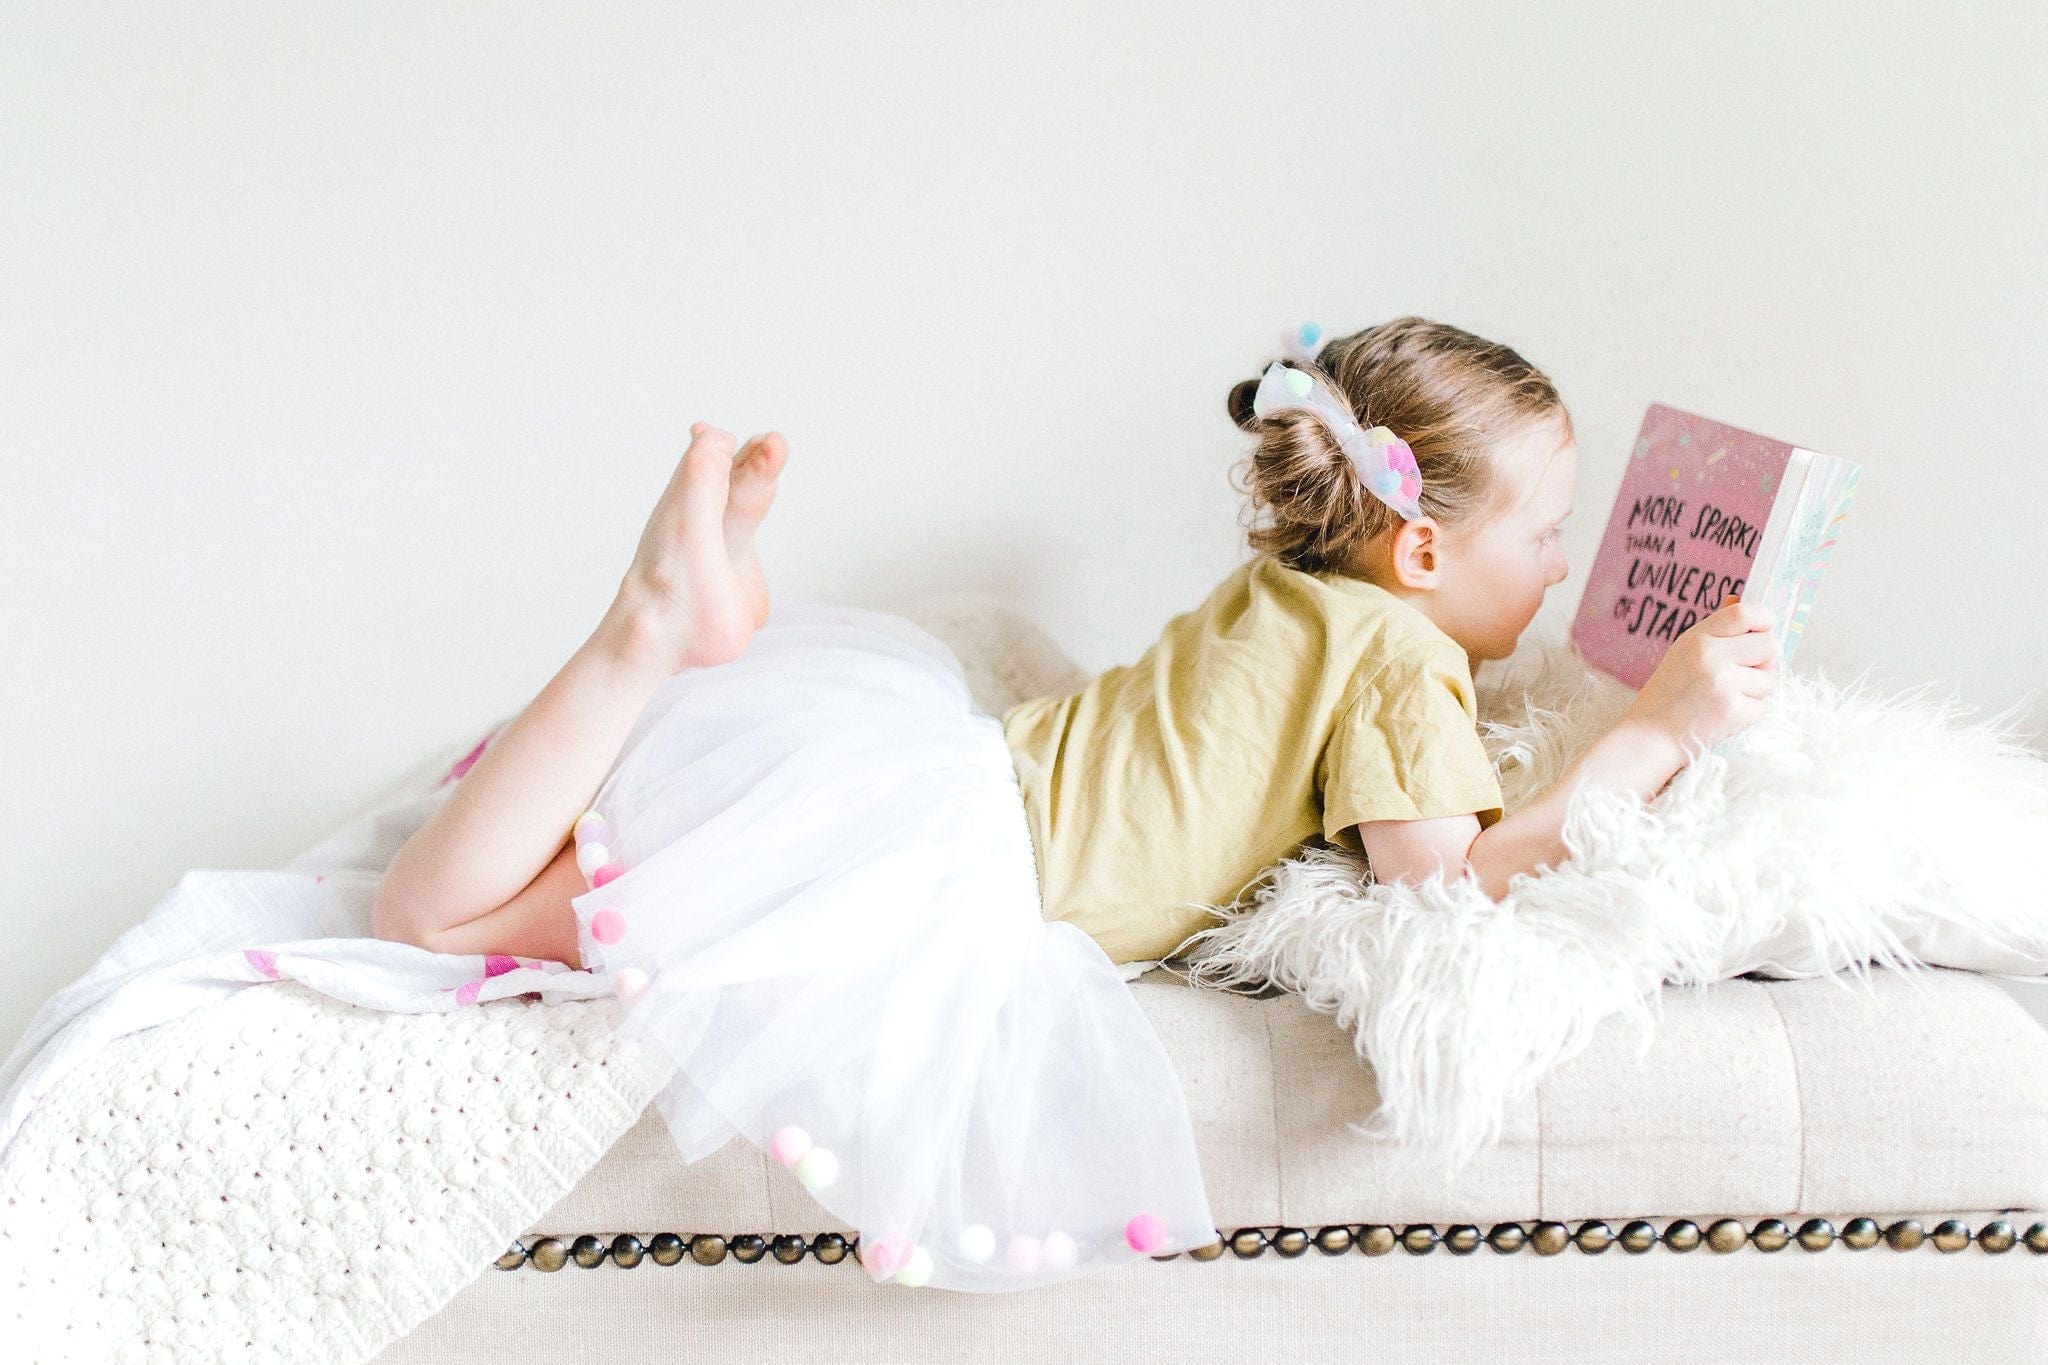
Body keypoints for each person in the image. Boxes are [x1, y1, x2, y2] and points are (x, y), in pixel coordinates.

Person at [366, 315, 1782, 1290]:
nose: (1553, 568)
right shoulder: (1405, 662)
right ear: (1419, 545)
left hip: (927, 780)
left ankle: (685, 623)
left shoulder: (1304, 588)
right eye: (1545, 535)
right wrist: (1654, 733)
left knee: (523, 873)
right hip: (938, 868)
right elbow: (1446, 882)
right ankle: (649, 628)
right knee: (429, 918)